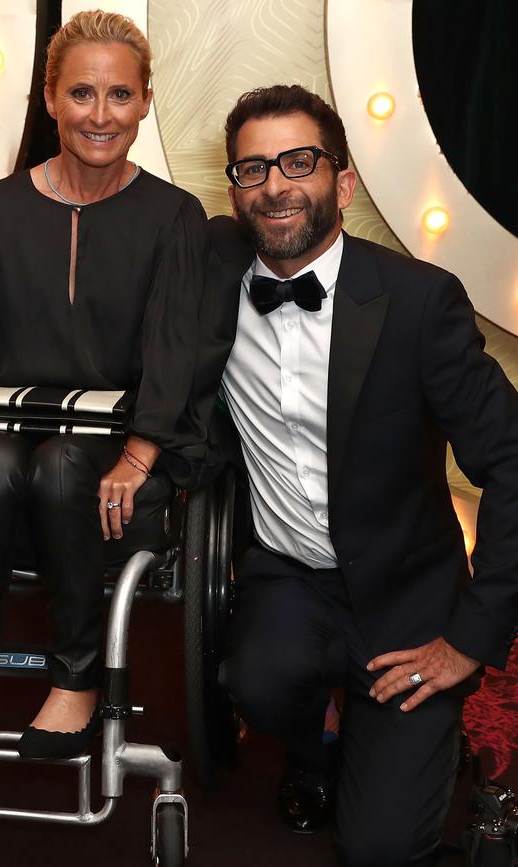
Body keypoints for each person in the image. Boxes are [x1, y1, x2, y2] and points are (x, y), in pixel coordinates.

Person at [196, 84, 518, 865]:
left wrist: (469, 640)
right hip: (289, 579)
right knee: (257, 677)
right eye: (252, 168)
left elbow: (513, 462)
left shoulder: (419, 302)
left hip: (409, 596)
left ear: (341, 182)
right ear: (233, 189)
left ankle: (407, 753)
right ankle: (315, 746)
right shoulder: (207, 276)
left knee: (379, 848)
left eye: (298, 162)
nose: (274, 184)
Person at [0, 9, 207, 760]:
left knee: (62, 463)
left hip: (117, 450)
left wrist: (138, 456)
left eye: (120, 96)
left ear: (145, 101)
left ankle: (76, 678)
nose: (100, 116)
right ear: (49, 98)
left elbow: (176, 351)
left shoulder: (174, 218)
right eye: (82, 94)